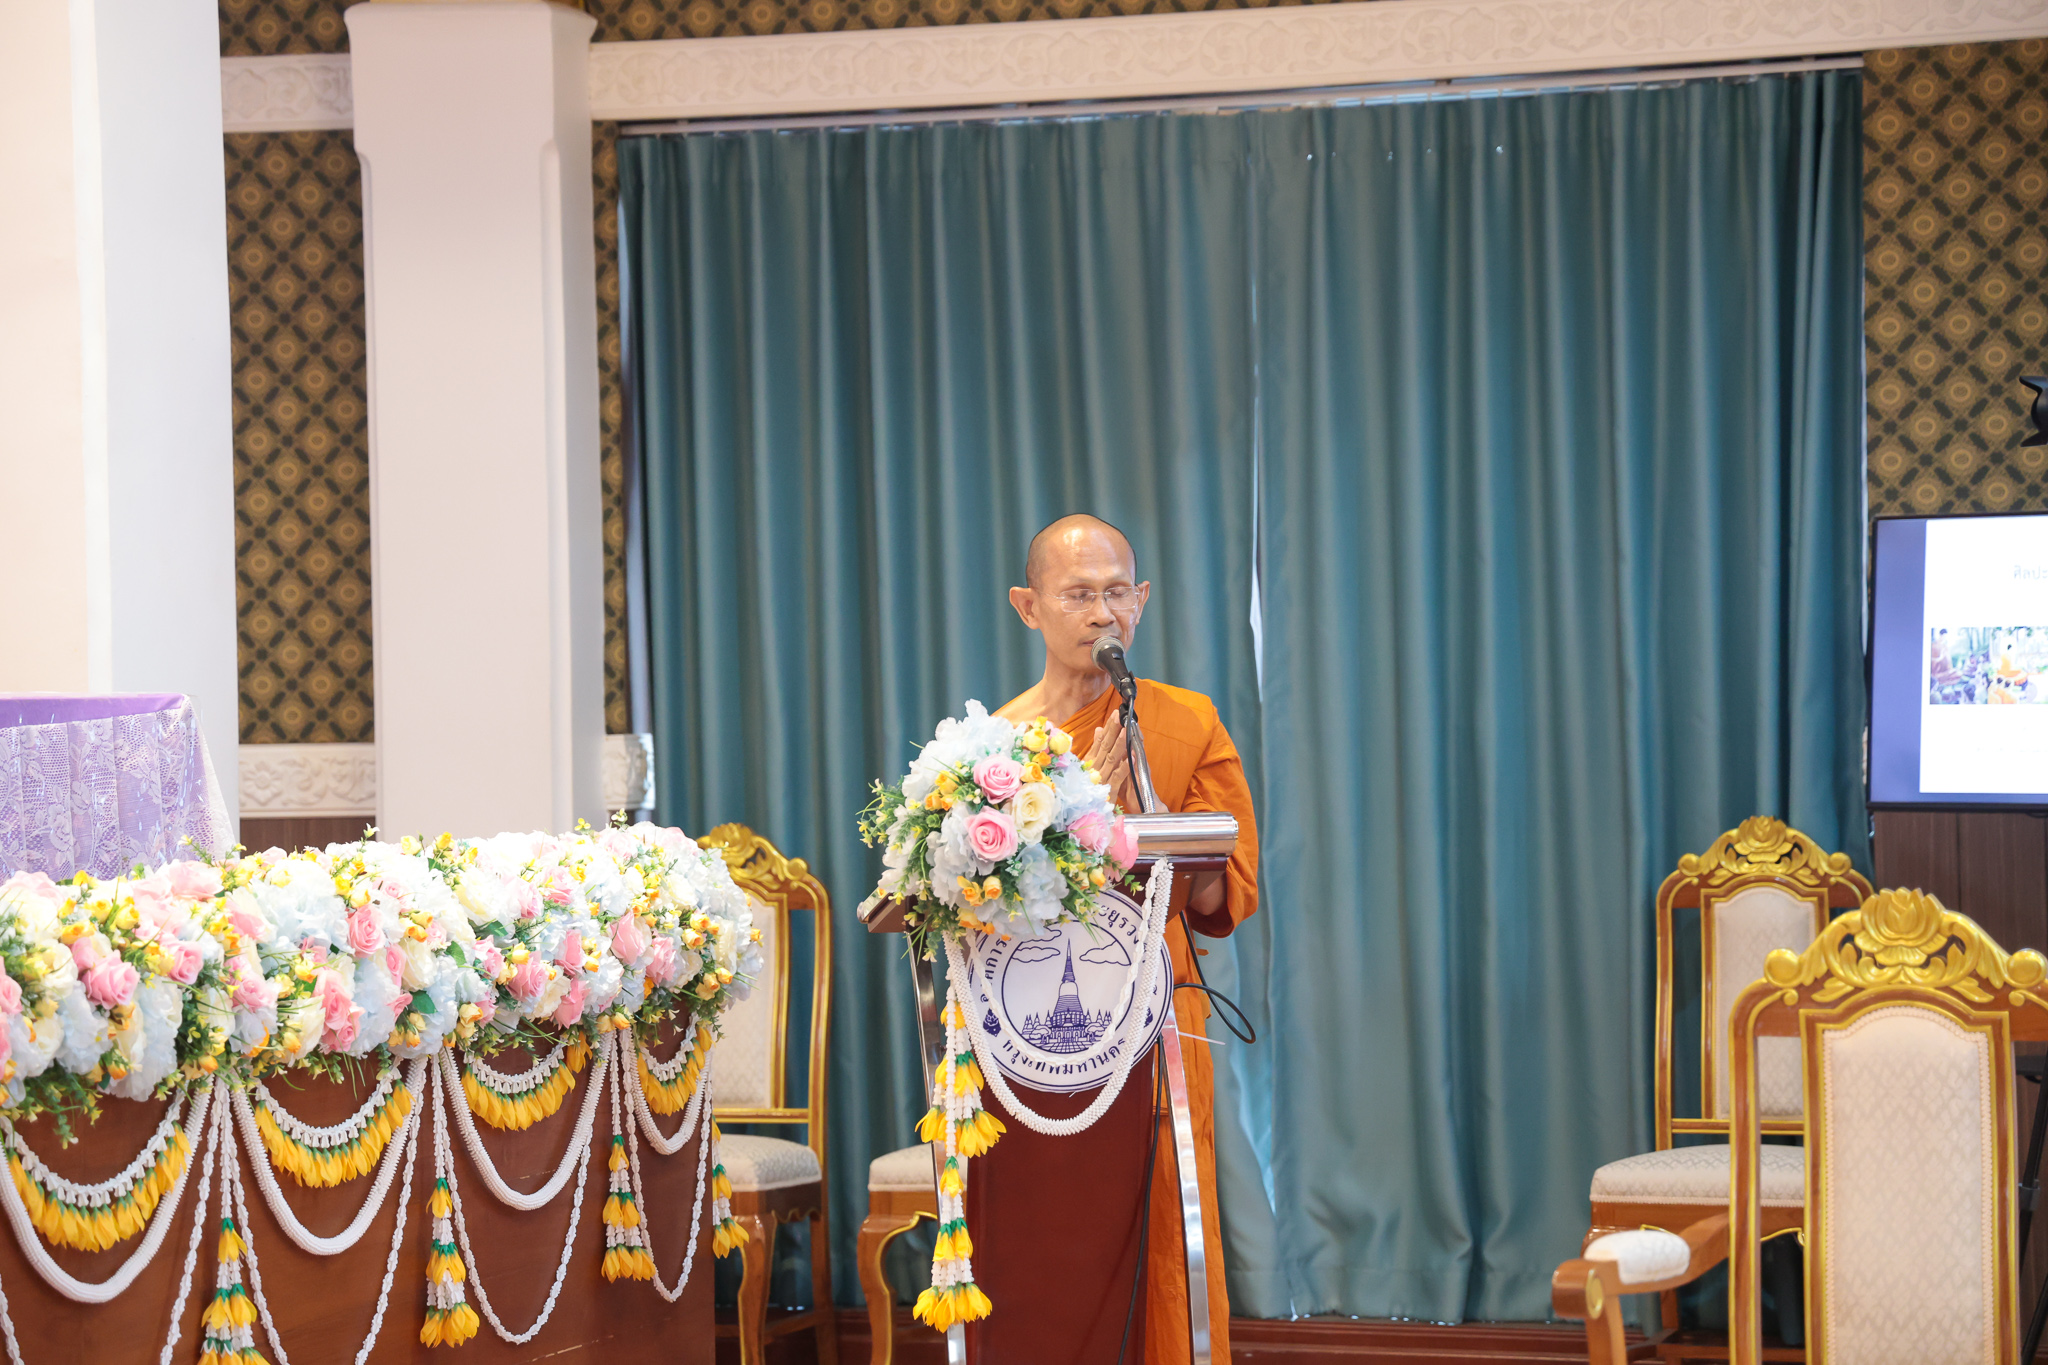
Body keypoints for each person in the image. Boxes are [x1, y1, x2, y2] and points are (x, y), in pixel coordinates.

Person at [997, 513, 1258, 1365]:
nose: (1103, 612)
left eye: (1117, 592)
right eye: (1079, 594)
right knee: (1048, 1242)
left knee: (1165, 1230)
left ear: (1141, 600)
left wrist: (1150, 823)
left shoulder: (1184, 723)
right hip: (1028, 1031)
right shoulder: (994, 750)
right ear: (1029, 606)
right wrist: (1060, 830)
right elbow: (972, 905)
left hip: (1157, 1024)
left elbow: (1221, 893)